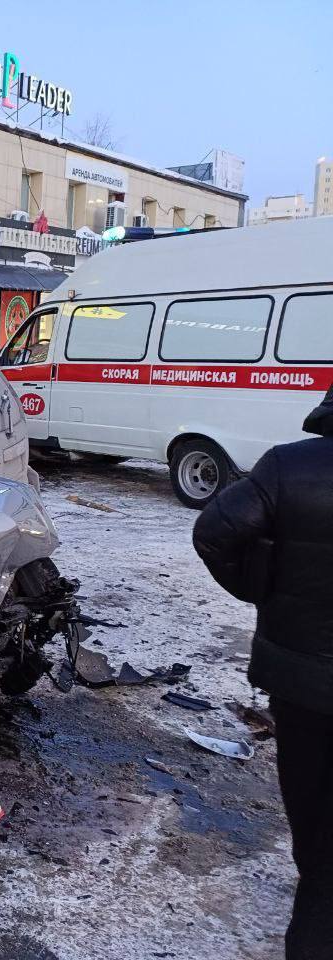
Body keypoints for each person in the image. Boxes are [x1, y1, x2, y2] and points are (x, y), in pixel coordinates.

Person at [193, 385, 333, 960]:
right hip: (302, 679)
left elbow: (214, 533)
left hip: (303, 684)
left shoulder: (288, 466)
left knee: (313, 803)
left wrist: (264, 594)